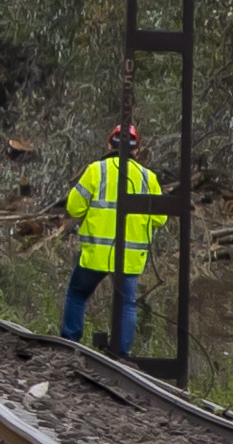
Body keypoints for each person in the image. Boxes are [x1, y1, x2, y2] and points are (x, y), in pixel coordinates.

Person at [61, 123, 166, 354]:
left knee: (77, 294)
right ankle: (121, 355)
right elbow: (160, 218)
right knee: (127, 304)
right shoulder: (148, 178)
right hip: (130, 257)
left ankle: (69, 344)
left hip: (96, 254)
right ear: (137, 149)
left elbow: (74, 207)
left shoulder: (96, 171)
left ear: (109, 144)